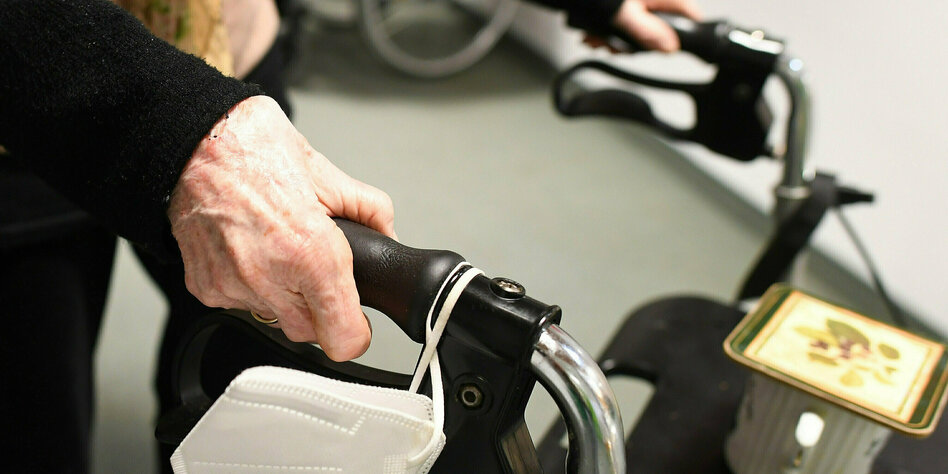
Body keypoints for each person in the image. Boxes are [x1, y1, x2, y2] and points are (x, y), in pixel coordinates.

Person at [0, 0, 699, 471]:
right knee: (34, 414)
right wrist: (182, 138)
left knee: (247, 390)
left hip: (225, 57)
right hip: (25, 117)